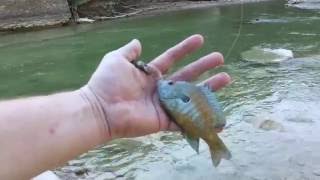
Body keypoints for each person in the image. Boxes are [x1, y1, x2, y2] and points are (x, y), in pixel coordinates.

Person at [0, 34, 231, 180]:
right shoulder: (175, 94)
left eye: (169, 83)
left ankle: (215, 145)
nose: (164, 83)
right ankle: (215, 145)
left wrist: (96, 107)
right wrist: (96, 106)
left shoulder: (177, 94)